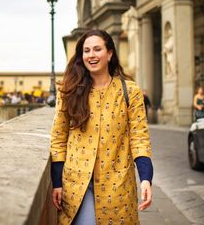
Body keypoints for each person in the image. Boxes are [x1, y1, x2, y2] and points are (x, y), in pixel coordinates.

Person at [50, 29, 153, 225]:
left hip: (118, 186)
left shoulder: (129, 91)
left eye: (97, 49)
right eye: (86, 50)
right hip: (77, 184)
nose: (91, 55)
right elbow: (58, 137)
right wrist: (57, 181)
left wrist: (146, 178)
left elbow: (140, 137)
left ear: (110, 53)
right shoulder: (70, 91)